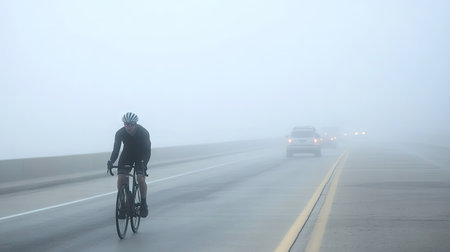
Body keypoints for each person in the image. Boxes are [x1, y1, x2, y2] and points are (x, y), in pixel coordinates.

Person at [107, 112, 151, 218]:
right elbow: (116, 150)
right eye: (126, 125)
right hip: (127, 156)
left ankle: (144, 203)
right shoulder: (120, 133)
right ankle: (122, 203)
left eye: (131, 124)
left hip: (141, 155)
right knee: (121, 178)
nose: (128, 127)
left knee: (140, 178)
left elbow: (148, 151)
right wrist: (111, 161)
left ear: (135, 124)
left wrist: (144, 164)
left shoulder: (143, 132)